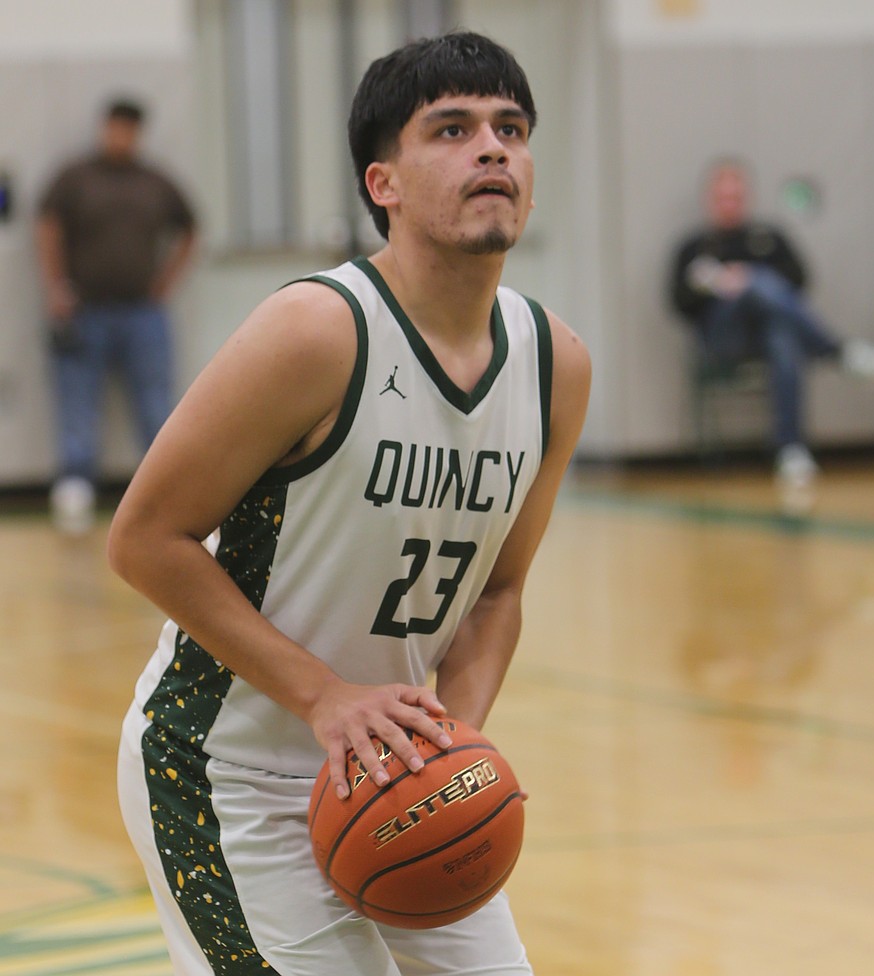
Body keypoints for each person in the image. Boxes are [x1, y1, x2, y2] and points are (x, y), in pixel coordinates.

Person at [110, 31, 590, 976]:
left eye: (511, 128)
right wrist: (324, 697)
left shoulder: (553, 362)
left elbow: (498, 593)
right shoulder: (317, 331)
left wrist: (451, 743)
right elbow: (145, 539)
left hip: (395, 784)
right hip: (229, 774)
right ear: (384, 186)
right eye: (451, 129)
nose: (492, 148)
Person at [669, 158, 874, 487]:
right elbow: (678, 302)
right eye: (723, 197)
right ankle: (843, 354)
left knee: (782, 336)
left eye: (736, 196)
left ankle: (790, 450)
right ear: (710, 199)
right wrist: (720, 286)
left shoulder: (768, 237)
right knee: (754, 284)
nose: (730, 204)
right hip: (723, 338)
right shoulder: (694, 247)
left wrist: (749, 280)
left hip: (766, 336)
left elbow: (799, 281)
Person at [35, 97, 197, 534]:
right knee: (77, 403)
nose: (120, 137)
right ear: (104, 128)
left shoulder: (155, 181)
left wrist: (166, 282)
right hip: (85, 309)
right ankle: (75, 489)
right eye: (115, 128)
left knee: (155, 403)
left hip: (142, 313)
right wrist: (56, 287)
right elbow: (48, 226)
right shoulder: (76, 177)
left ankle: (165, 496)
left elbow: (190, 228)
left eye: (129, 129)